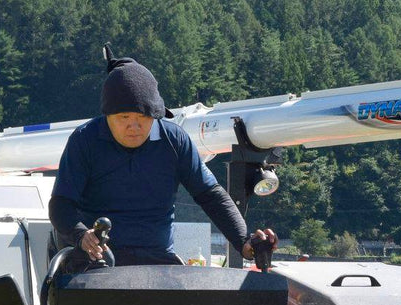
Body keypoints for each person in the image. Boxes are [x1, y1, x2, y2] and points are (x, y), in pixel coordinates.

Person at [48, 52, 277, 268]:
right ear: (107, 115)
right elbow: (61, 204)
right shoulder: (84, 140)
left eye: (142, 117)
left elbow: (210, 195)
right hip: (94, 259)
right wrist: (81, 235)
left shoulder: (174, 140)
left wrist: (244, 241)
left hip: (156, 260)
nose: (134, 126)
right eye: (124, 117)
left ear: (156, 114)